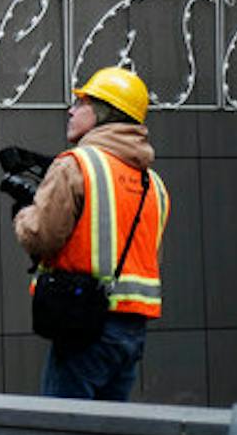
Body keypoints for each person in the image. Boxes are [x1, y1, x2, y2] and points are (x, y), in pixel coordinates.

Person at [12, 65, 171, 402]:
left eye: (81, 102)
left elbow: (41, 237)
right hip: (132, 332)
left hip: (84, 324)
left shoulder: (76, 164)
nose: (71, 110)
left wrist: (25, 213)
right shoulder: (153, 184)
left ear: (105, 113)